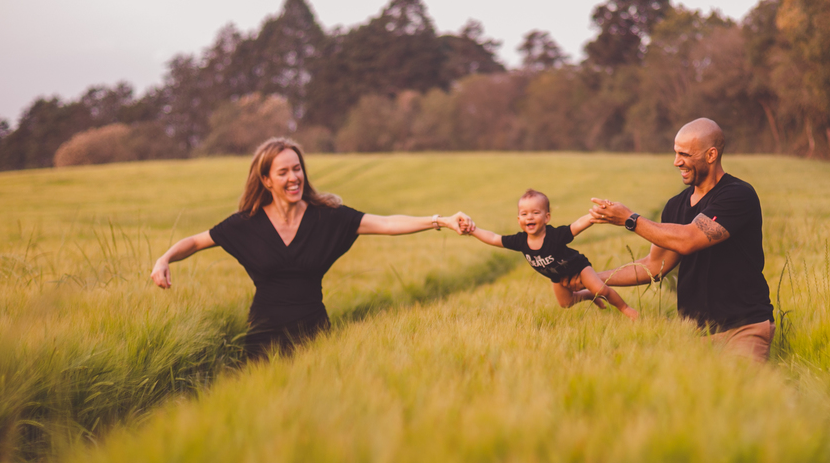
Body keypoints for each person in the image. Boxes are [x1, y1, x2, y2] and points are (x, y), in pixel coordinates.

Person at [150, 137, 473, 358]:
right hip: (262, 340)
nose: (294, 177)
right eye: (283, 172)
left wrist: (440, 220)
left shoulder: (327, 218)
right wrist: (165, 259)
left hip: (315, 337)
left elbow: (386, 224)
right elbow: (195, 241)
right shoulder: (245, 224)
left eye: (297, 168)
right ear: (266, 180)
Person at [583, 118, 775, 362]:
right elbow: (654, 266)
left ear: (711, 155)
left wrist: (629, 219)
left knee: (743, 399)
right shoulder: (675, 206)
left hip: (742, 330)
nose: (676, 162)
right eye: (675, 153)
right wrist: (590, 278)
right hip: (694, 334)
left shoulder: (737, 195)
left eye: (684, 154)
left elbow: (690, 239)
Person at [467, 189, 638, 319]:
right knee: (565, 303)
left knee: (601, 289)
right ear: (519, 220)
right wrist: (472, 230)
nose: (529, 217)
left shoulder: (555, 236)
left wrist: (597, 213)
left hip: (578, 267)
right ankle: (589, 295)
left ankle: (626, 310)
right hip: (557, 276)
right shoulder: (519, 241)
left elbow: (577, 225)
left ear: (547, 217)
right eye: (524, 214)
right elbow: (493, 238)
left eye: (535, 213)